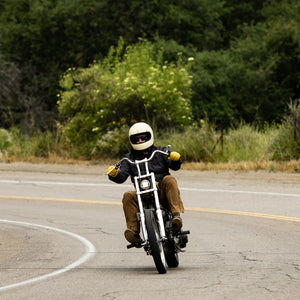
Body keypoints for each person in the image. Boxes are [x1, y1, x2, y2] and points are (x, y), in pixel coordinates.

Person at [106, 122, 184, 245]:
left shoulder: (160, 151)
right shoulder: (128, 158)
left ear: (150, 136)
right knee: (128, 195)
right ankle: (133, 232)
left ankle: (176, 216)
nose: (140, 140)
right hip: (142, 195)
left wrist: (175, 159)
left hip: (162, 194)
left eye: (143, 137)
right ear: (131, 140)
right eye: (136, 139)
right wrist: (114, 174)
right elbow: (122, 177)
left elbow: (174, 166)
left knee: (170, 180)